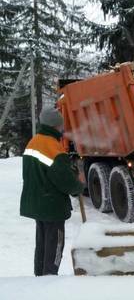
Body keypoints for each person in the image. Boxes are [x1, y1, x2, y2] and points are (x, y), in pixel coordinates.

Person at [20, 107, 84, 276]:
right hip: (52, 206)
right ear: (56, 125)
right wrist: (79, 187)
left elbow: (37, 172)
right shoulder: (53, 148)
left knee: (42, 243)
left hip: (37, 203)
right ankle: (49, 279)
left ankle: (40, 276)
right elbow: (65, 181)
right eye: (61, 124)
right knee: (55, 244)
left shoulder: (34, 141)